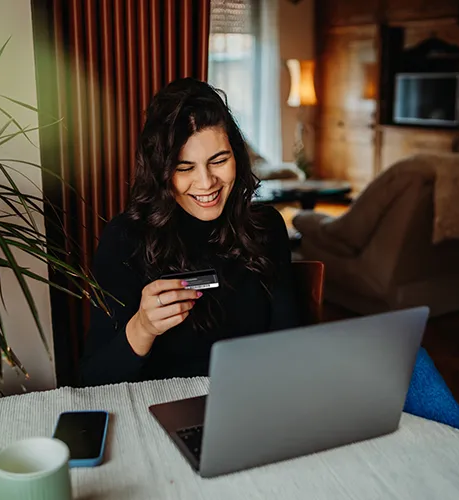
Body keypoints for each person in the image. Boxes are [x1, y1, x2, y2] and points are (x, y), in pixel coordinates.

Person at [80, 78, 299, 387]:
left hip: (253, 403)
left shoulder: (266, 228)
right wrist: (143, 327)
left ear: (236, 155)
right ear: (161, 172)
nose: (206, 182)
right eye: (185, 168)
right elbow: (93, 381)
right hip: (160, 414)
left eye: (219, 161)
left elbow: (288, 347)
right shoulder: (124, 239)